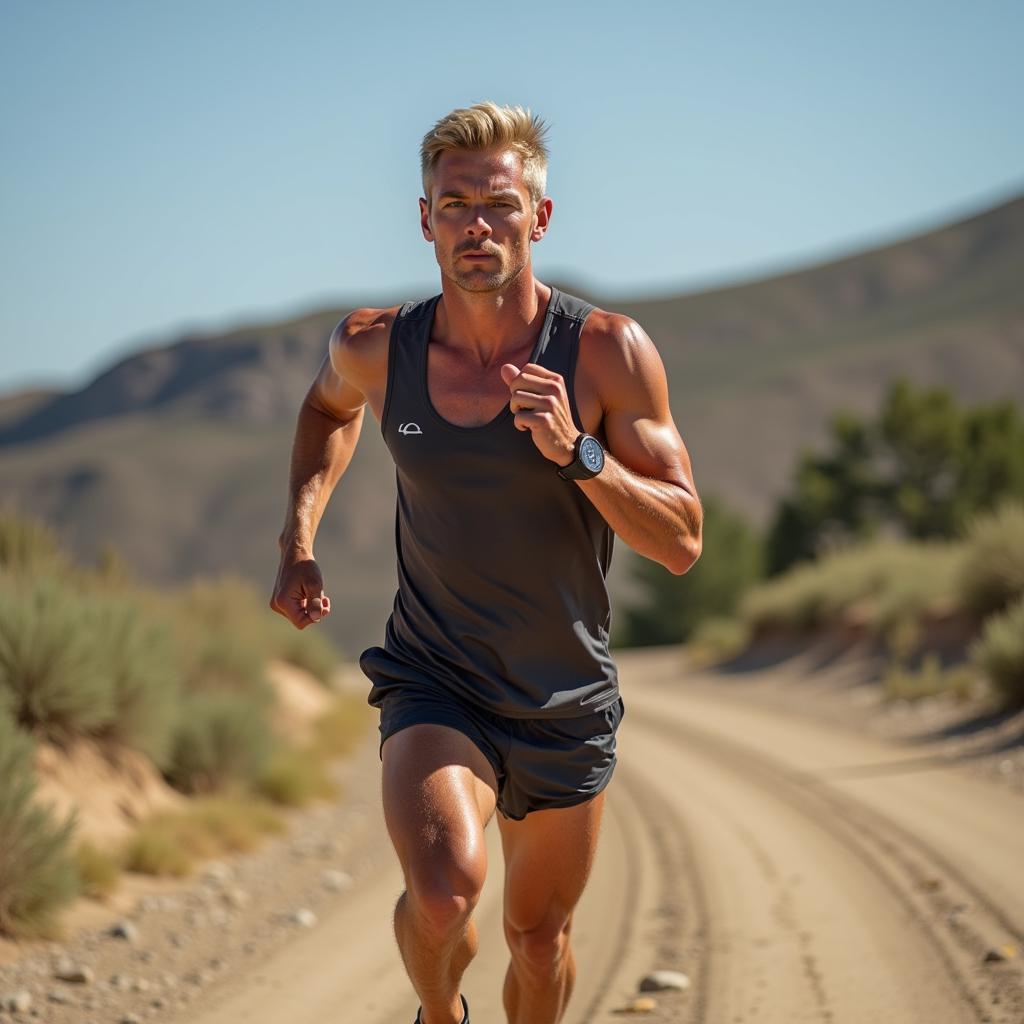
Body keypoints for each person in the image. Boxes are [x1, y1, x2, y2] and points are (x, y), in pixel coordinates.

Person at [270, 100, 702, 1024]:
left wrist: (580, 453)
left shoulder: (606, 353)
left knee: (538, 943)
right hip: (438, 676)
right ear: (423, 218)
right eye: (454, 202)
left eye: (498, 204)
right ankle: (438, 1017)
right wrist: (298, 538)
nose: (476, 223)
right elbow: (326, 412)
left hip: (563, 693)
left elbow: (681, 539)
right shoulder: (377, 346)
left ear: (537, 218)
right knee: (443, 893)